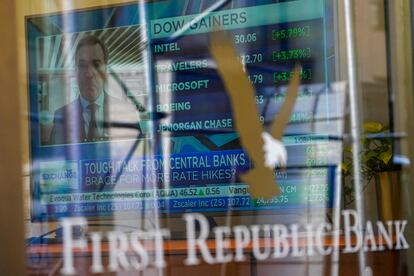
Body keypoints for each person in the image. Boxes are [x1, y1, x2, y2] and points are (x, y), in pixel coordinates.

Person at [49, 35, 141, 145]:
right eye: (82, 66)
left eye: (96, 65)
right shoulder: (61, 116)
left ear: (106, 69)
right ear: (75, 71)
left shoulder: (127, 112)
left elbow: (141, 155)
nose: (89, 74)